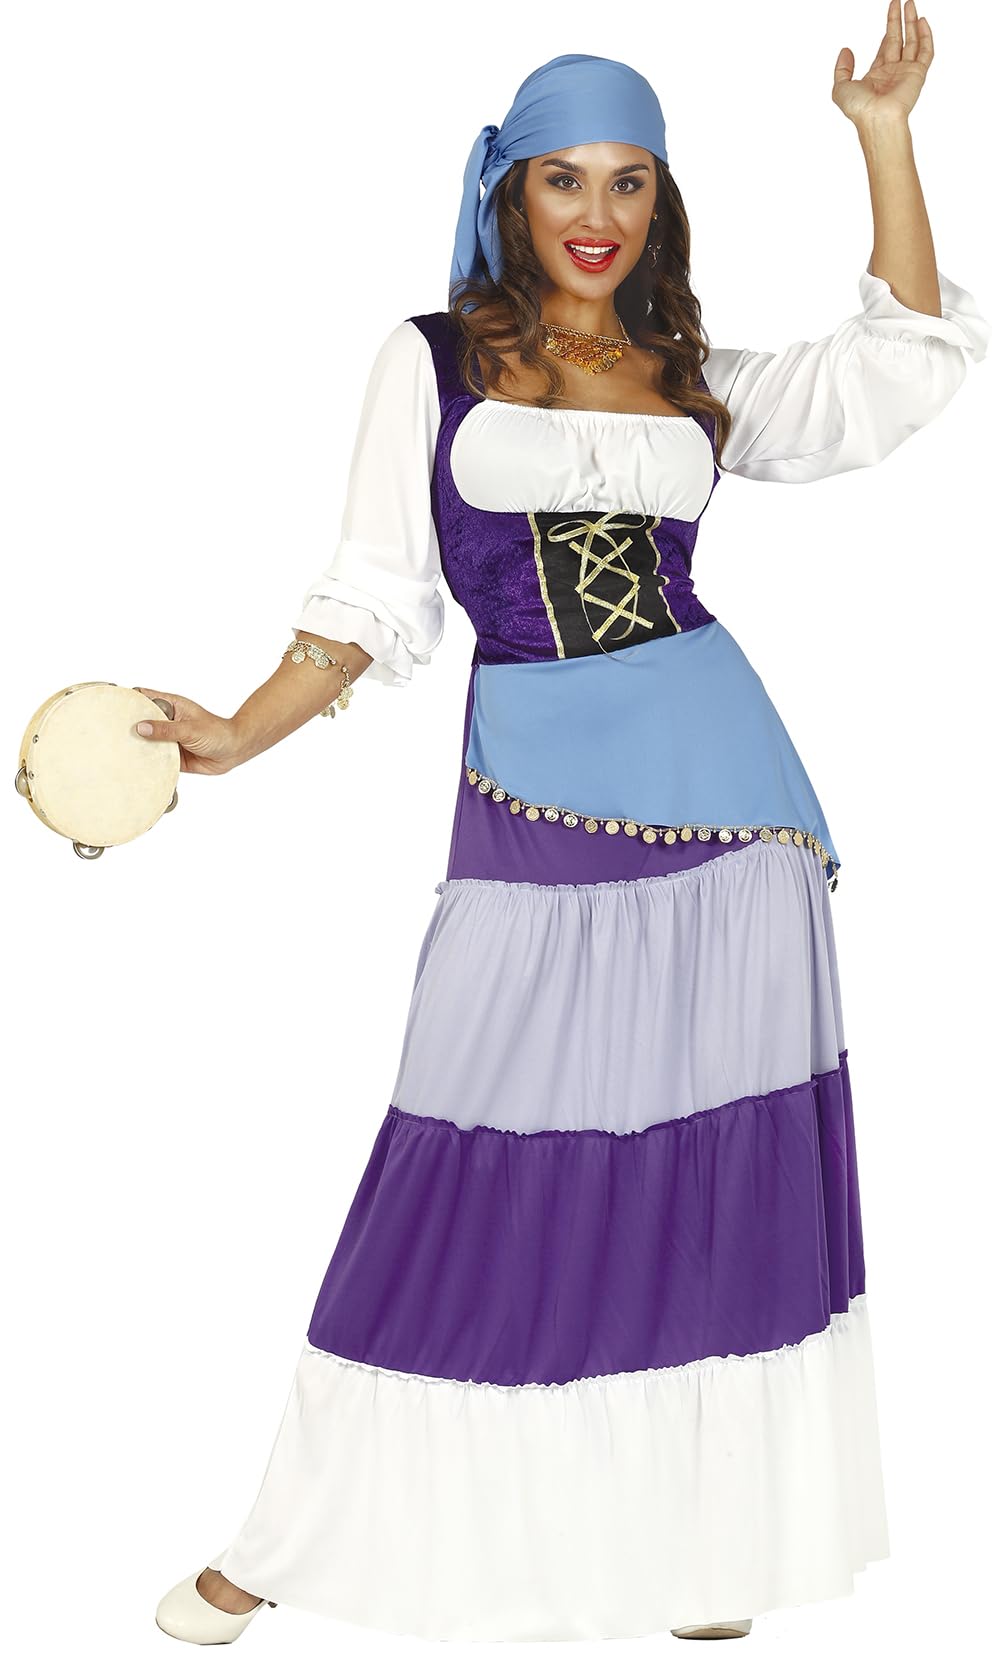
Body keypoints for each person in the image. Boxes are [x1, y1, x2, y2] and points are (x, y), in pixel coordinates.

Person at [151, 18, 989, 1647]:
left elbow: (897, 368)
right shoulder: (429, 359)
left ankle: (713, 1544)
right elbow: (374, 591)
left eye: (628, 182)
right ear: (509, 194)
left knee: (712, 1171)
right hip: (531, 801)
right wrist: (241, 734)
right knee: (459, 1161)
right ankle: (287, 1537)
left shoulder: (692, 376)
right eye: (563, 180)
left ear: (660, 202)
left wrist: (884, 136)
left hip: (736, 815)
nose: (595, 214)